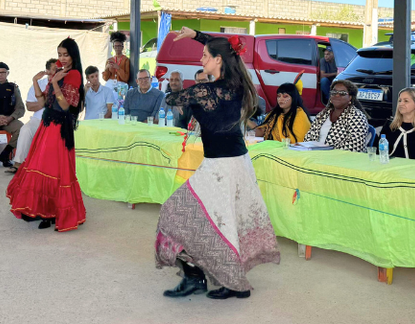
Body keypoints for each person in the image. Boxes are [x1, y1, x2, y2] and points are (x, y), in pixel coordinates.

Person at [156, 28, 280, 300]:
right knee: (225, 221)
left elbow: (171, 98)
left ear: (218, 60)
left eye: (205, 56)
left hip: (220, 168)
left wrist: (194, 90)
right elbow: (225, 51)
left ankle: (203, 278)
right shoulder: (239, 85)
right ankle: (224, 280)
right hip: (238, 163)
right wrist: (197, 36)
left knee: (174, 213)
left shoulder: (205, 91)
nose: (201, 60)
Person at [6, 38, 87, 232]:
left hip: (59, 127)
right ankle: (43, 210)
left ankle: (52, 212)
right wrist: (35, 81)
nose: (62, 58)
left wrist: (56, 82)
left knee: (52, 169)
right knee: (39, 165)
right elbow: (42, 102)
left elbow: (65, 105)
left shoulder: (74, 74)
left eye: (65, 54)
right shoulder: (60, 72)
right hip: (47, 124)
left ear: (73, 55)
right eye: (59, 54)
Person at [7, 59, 58, 175]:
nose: (57, 71)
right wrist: (45, 102)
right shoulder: (39, 84)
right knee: (26, 129)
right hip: (39, 118)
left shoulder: (64, 84)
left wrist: (41, 103)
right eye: (55, 69)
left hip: (57, 119)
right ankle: (18, 163)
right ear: (47, 71)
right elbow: (29, 106)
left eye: (59, 69)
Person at [304, 79, 369, 152]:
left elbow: (356, 146)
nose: (337, 95)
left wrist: (328, 152)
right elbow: (308, 138)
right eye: (334, 92)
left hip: (344, 157)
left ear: (350, 97)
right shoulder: (323, 114)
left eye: (342, 93)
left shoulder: (357, 117)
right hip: (315, 155)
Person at [375, 88, 415, 161]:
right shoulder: (390, 125)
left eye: (406, 101)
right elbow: (377, 151)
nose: (401, 104)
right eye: (400, 100)